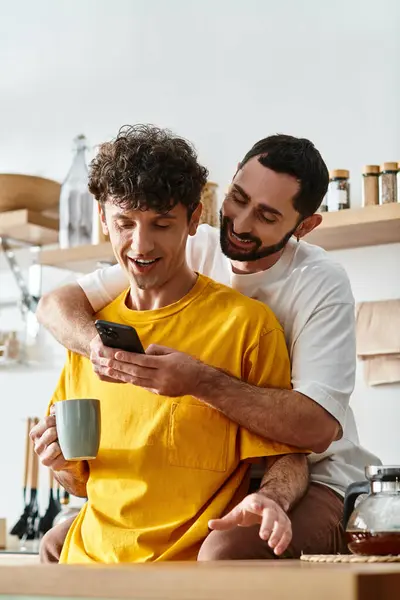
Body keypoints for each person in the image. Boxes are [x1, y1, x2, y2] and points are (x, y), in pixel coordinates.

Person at [37, 130, 380, 561]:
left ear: (305, 226)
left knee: (225, 551)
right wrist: (98, 349)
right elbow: (56, 303)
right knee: (55, 543)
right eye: (238, 197)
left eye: (267, 216)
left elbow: (313, 432)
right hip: (217, 479)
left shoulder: (317, 284)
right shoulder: (189, 244)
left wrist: (199, 381)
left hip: (316, 472)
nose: (240, 223)